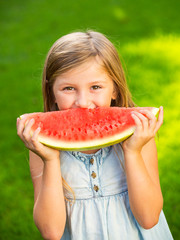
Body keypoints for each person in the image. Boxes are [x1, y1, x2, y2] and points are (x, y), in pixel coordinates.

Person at [16, 30, 173, 240]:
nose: (82, 102)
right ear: (52, 91)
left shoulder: (139, 137)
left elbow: (148, 217)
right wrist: (51, 160)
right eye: (69, 88)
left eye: (95, 87)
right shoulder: (41, 145)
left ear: (115, 89)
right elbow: (51, 232)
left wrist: (133, 152)